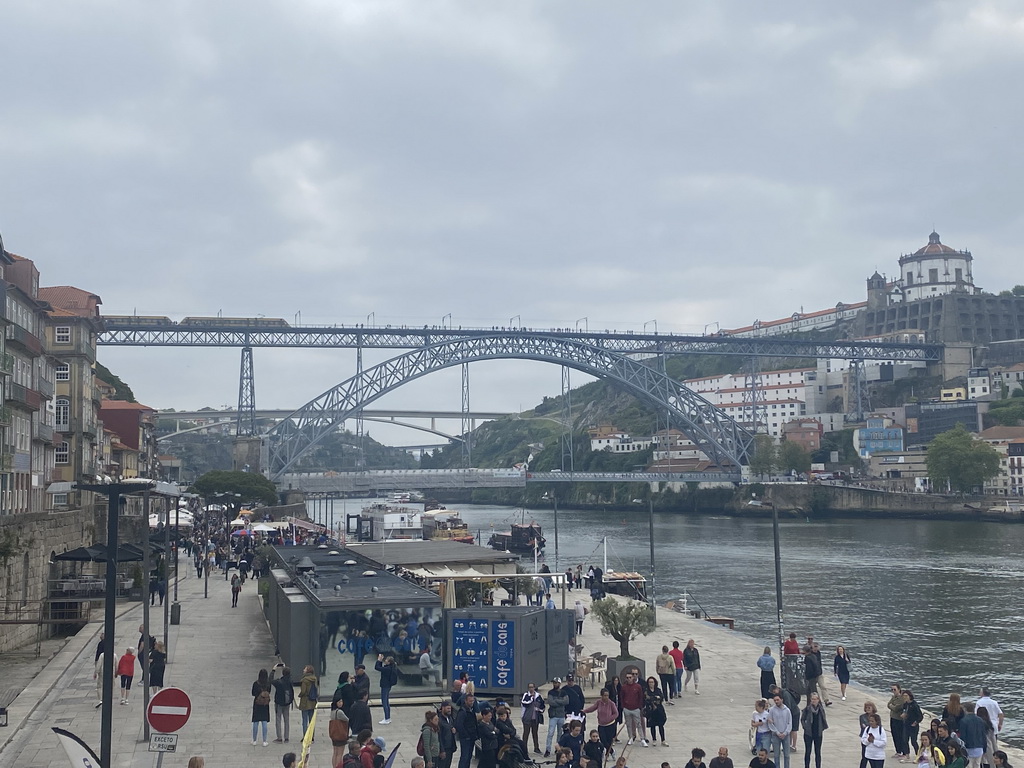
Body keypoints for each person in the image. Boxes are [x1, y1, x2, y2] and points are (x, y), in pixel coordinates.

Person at [583, 686, 619, 758]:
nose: (606, 697)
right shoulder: (599, 702)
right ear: (601, 695)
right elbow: (592, 708)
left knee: (608, 741)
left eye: (607, 695)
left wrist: (609, 718)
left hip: (610, 725)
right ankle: (611, 751)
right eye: (605, 695)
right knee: (603, 740)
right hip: (601, 725)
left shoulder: (611, 703)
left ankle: (607, 754)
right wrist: (584, 711)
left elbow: (616, 713)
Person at [618, 671, 647, 747]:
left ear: (633, 678)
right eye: (627, 678)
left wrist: (640, 707)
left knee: (638, 724)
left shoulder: (638, 686)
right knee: (629, 724)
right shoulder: (624, 687)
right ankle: (630, 737)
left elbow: (640, 697)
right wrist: (623, 706)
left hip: (636, 708)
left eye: (630, 677)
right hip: (627, 708)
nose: (629, 679)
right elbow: (621, 697)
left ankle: (642, 738)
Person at [800, 692, 828, 768]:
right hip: (808, 733)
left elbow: (823, 719)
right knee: (808, 752)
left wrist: (822, 727)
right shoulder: (807, 709)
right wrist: (805, 727)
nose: (814, 701)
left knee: (818, 752)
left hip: (818, 733)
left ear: (818, 700)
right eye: (812, 699)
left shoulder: (821, 709)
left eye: (815, 699)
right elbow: (802, 719)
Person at [545, 678, 569, 757]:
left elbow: (566, 702)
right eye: (554, 683)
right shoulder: (550, 692)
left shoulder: (564, 692)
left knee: (560, 733)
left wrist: (556, 701)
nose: (555, 684)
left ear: (559, 683)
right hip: (553, 715)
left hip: (561, 715)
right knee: (550, 733)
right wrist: (560, 701)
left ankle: (558, 749)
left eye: (556, 683)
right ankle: (548, 749)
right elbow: (551, 702)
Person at [767, 693, 792, 768]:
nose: (776, 701)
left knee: (787, 755)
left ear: (782, 700)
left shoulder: (787, 710)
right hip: (776, 735)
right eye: (775, 700)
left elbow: (789, 723)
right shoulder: (771, 710)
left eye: (778, 700)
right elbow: (770, 723)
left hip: (786, 735)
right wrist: (777, 732)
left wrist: (785, 732)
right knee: (776, 755)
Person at [455, 693, 480, 768]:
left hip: (471, 737)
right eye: (470, 701)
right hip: (466, 738)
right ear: (465, 701)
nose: (471, 702)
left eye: (472, 701)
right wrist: (466, 735)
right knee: (464, 757)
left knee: (469, 756)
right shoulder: (463, 711)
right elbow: (459, 725)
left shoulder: (471, 710)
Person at [957, 702, 986, 768]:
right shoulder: (980, 720)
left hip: (969, 748)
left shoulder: (963, 721)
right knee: (977, 765)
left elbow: (963, 737)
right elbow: (983, 735)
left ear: (965, 709)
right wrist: (984, 747)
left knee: (969, 765)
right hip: (979, 747)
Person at [521, 682, 544, 754]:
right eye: (530, 687)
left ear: (534, 688)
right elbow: (524, 703)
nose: (531, 688)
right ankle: (524, 748)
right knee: (526, 734)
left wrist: (539, 710)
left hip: (535, 718)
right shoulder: (526, 695)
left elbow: (542, 706)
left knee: (535, 733)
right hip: (527, 718)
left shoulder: (538, 696)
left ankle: (536, 748)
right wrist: (531, 699)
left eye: (532, 687)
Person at [273, 666, 294, 743]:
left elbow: (270, 680)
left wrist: (273, 670)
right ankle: (286, 737)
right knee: (286, 719)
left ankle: (279, 737)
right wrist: (285, 667)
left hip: (279, 703)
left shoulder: (279, 682)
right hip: (287, 702)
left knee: (278, 719)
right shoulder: (290, 681)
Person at [644, 677, 668, 746]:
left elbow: (661, 698)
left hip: (659, 710)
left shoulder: (658, 690)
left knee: (661, 725)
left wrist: (655, 698)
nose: (651, 684)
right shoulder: (646, 691)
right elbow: (647, 699)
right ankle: (654, 739)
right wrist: (655, 698)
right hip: (651, 710)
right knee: (652, 726)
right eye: (649, 682)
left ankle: (663, 740)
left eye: (652, 682)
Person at [375, 654, 398, 725]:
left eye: (386, 660)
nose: (385, 660)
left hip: (385, 686)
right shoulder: (391, 667)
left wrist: (379, 660)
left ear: (389, 662)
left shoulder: (387, 669)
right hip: (388, 686)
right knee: (386, 701)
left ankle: (387, 718)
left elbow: (377, 667)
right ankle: (388, 717)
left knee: (384, 702)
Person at [252, 668, 272, 747]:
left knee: (255, 722)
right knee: (264, 721)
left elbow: (253, 693)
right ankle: (264, 741)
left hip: (257, 703)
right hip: (265, 704)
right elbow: (269, 692)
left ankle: (254, 740)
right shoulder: (268, 684)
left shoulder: (256, 683)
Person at [298, 665, 319, 735]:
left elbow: (303, 691)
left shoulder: (305, 680)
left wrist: (300, 695)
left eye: (305, 669)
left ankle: (305, 736)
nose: (303, 670)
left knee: (304, 720)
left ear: (307, 671)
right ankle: (311, 736)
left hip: (305, 702)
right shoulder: (314, 679)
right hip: (312, 701)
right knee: (311, 720)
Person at [887, 685, 907, 760]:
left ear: (899, 690)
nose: (893, 691)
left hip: (899, 720)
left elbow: (896, 708)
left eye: (894, 689)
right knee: (894, 734)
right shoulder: (893, 697)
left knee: (900, 735)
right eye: (892, 689)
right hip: (893, 718)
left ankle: (904, 751)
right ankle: (898, 751)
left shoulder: (901, 699)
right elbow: (888, 704)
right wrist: (892, 706)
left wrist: (892, 706)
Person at [438, 700, 457, 768]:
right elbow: (439, 737)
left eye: (450, 708)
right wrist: (442, 750)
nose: (449, 710)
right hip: (444, 748)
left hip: (450, 747)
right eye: (447, 708)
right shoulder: (439, 720)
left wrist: (453, 731)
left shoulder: (450, 718)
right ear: (443, 708)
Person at [859, 702, 879, 768]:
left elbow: (878, 727)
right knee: (864, 757)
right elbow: (864, 726)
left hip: (874, 738)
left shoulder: (876, 717)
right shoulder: (862, 717)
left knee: (873, 758)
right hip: (865, 737)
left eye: (869, 708)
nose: (867, 709)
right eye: (866, 708)